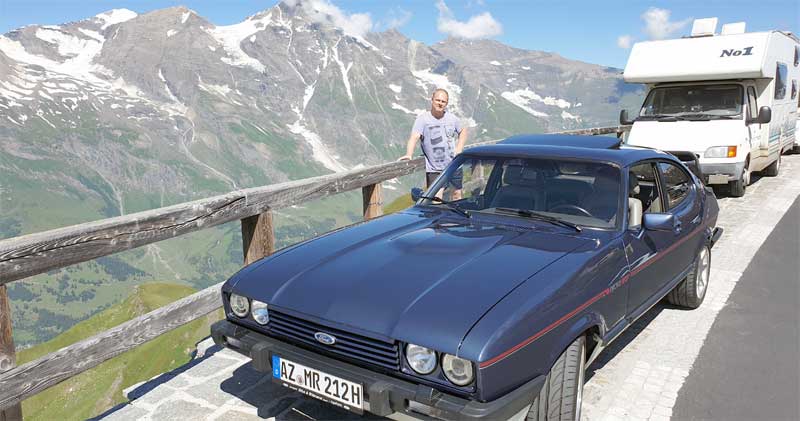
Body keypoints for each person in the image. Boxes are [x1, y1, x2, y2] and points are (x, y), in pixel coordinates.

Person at [398, 89, 468, 199]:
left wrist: (459, 148)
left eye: (443, 101)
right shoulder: (423, 119)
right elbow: (414, 137)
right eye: (437, 100)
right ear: (432, 100)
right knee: (436, 199)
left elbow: (463, 131)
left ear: (446, 103)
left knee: (457, 195)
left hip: (454, 165)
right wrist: (409, 154)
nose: (440, 103)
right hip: (435, 169)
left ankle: (454, 211)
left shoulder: (452, 118)